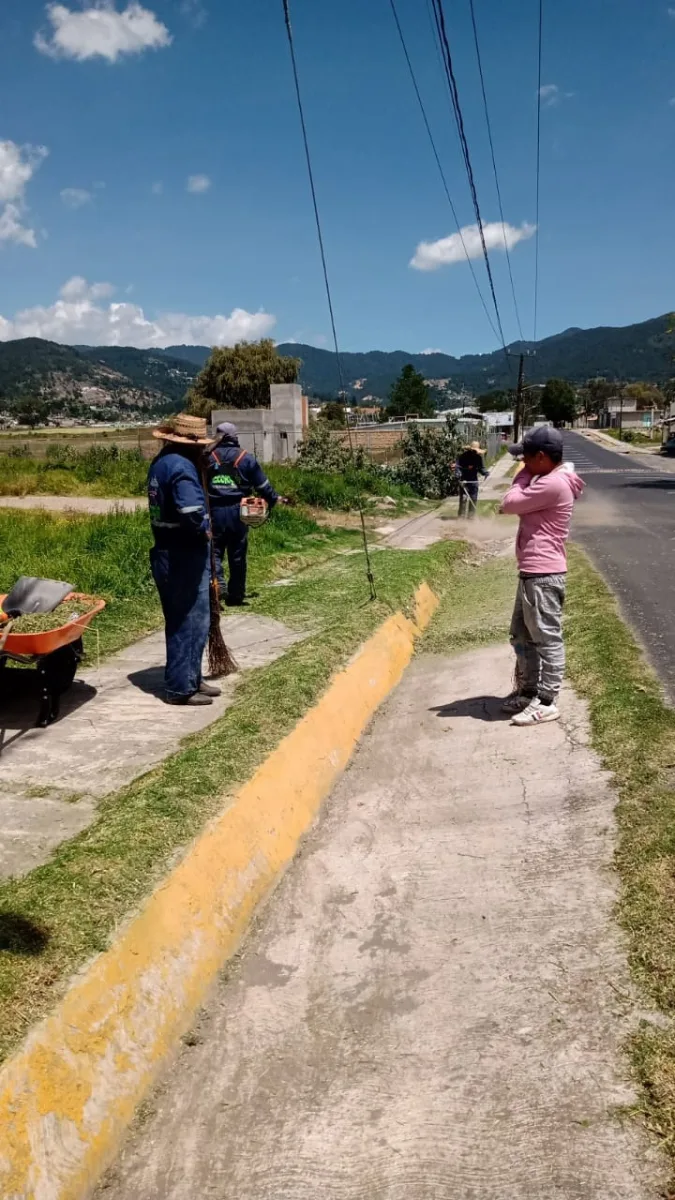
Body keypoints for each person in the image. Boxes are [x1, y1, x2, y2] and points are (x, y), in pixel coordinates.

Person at [499, 426, 584, 727]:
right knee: (521, 635)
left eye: (526, 459)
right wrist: (527, 473)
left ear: (542, 457)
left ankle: (547, 701)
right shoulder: (548, 478)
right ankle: (529, 690)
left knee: (547, 640)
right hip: (533, 572)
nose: (522, 464)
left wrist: (522, 476)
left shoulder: (553, 485)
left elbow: (509, 503)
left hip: (543, 574)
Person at [147, 413, 220, 707]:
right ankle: (180, 688)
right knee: (187, 622)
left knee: (192, 621)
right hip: (183, 554)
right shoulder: (182, 468)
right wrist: (204, 530)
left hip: (167, 550)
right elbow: (190, 510)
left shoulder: (162, 462)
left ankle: (191, 677)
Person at [207, 422, 280, 607]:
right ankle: (236, 595)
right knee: (237, 554)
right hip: (238, 512)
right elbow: (263, 487)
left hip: (214, 511)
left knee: (214, 552)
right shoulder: (245, 458)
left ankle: (218, 586)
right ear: (234, 437)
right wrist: (272, 501)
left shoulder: (208, 458)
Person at [455, 440, 489, 518]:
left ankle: (471, 517)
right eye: (473, 450)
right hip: (464, 480)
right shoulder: (463, 456)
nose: (474, 452)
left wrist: (485, 473)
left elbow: (481, 468)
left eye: (476, 451)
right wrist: (458, 474)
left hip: (473, 481)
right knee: (463, 499)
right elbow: (457, 466)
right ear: (470, 449)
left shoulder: (478, 458)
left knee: (473, 498)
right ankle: (461, 517)